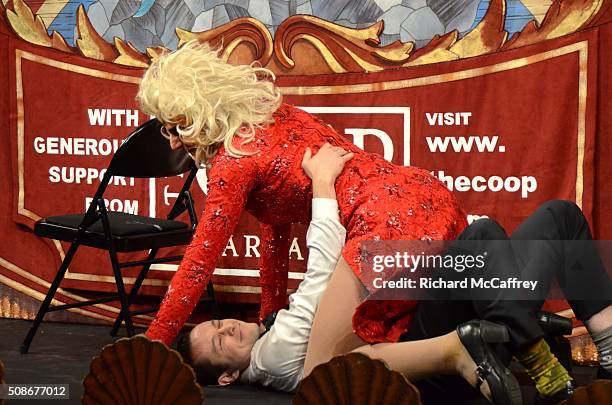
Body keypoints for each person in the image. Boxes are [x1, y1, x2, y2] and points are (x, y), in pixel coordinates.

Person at [137, 40, 466, 347]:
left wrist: (155, 343)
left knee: (328, 360)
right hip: (426, 191)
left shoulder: (232, 162)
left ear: (203, 116)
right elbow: (275, 229)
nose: (174, 142)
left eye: (176, 127)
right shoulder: (274, 115)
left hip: (384, 222)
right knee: (439, 318)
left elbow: (199, 262)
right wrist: (271, 316)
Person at [176, 143, 522, 405]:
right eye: (220, 343)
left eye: (218, 324)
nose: (229, 328)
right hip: (414, 333)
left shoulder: (269, 338)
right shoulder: (271, 356)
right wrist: (323, 186)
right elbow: (320, 275)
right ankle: (472, 344)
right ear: (228, 377)